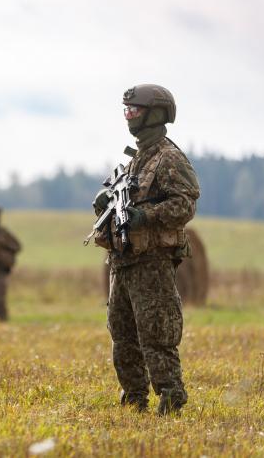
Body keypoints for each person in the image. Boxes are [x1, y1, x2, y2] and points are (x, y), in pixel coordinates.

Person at [92, 84, 200, 415]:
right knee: (122, 333)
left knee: (156, 330)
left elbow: (184, 205)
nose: (129, 116)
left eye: (134, 110)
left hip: (152, 260)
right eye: (126, 110)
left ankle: (171, 395)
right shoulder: (136, 159)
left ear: (155, 113)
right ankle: (133, 396)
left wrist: (145, 216)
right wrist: (106, 205)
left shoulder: (169, 157)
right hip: (123, 259)